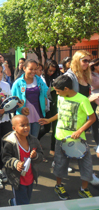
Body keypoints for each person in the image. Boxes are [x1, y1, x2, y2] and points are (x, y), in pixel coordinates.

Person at [39, 75, 96, 199]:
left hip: (79, 140)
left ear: (66, 88)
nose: (57, 94)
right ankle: (59, 186)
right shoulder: (61, 97)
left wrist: (80, 131)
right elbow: (61, 113)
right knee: (60, 164)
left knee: (86, 165)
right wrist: (49, 120)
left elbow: (92, 118)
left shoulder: (82, 100)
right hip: (61, 138)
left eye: (58, 91)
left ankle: (84, 189)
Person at [64, 50, 99, 184]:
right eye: (84, 60)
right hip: (73, 118)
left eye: (89, 60)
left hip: (82, 117)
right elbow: (67, 99)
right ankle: (87, 176)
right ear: (77, 60)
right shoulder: (70, 76)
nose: (88, 63)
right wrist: (90, 99)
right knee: (77, 147)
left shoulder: (85, 74)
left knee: (76, 147)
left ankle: (87, 174)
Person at [2, 115, 43, 206]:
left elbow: (41, 156)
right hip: (18, 180)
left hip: (30, 178)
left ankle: (13, 202)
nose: (26, 128)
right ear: (14, 128)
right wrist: (16, 163)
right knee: (24, 204)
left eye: (27, 125)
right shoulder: (10, 143)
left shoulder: (33, 140)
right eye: (22, 125)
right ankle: (16, 203)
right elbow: (5, 158)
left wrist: (36, 155)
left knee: (26, 199)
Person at [11, 59, 48, 137]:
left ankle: (34, 149)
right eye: (31, 69)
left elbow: (47, 92)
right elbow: (12, 100)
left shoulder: (39, 80)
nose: (33, 71)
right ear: (24, 68)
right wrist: (21, 109)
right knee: (25, 139)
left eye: (35, 69)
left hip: (37, 114)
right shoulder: (18, 83)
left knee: (34, 138)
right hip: (23, 116)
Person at [38, 59, 61, 156]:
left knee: (55, 128)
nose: (51, 73)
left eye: (53, 71)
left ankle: (53, 149)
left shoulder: (58, 77)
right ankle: (36, 140)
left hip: (55, 105)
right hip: (46, 105)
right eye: (49, 71)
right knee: (46, 128)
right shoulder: (41, 78)